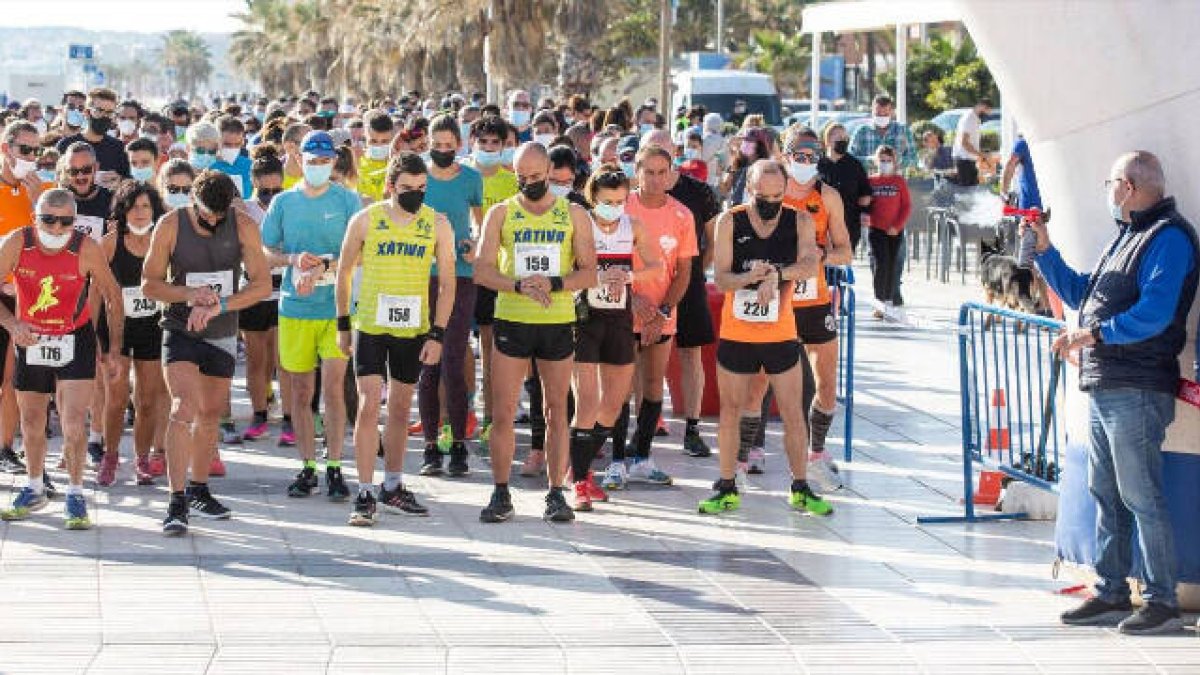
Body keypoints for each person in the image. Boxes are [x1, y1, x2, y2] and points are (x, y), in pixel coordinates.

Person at [1034, 151, 1198, 635]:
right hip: (1106, 383)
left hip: (1138, 386)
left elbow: (1155, 313)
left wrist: (1091, 336)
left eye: (1110, 183)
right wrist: (1045, 251)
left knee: (1141, 495)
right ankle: (1110, 591)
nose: (1106, 192)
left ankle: (1162, 601)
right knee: (1106, 492)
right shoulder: (1128, 235)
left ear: (1127, 186)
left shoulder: (1169, 238)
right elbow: (1086, 294)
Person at [472, 142, 597, 523]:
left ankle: (556, 491)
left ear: (551, 174)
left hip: (557, 321)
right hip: (512, 319)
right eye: (522, 178)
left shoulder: (573, 213)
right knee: (504, 409)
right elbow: (482, 270)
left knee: (557, 409)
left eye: (537, 178)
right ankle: (500, 491)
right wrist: (518, 285)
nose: (529, 185)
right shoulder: (501, 213)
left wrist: (554, 282)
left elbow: (589, 272)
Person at [142, 170, 271, 535]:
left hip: (222, 330)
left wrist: (220, 305)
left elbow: (261, 284)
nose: (213, 222)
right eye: (206, 216)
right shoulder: (171, 224)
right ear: (192, 203)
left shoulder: (243, 224)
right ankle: (176, 498)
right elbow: (148, 283)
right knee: (184, 406)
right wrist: (188, 295)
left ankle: (199, 488)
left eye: (220, 216)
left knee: (211, 413)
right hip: (180, 328)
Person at [699, 160, 830, 517]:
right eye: (762, 196)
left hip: (781, 332)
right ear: (749, 190)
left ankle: (800, 487)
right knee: (730, 410)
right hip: (738, 332)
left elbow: (808, 264)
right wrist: (750, 277)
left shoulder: (798, 220)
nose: (770, 203)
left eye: (777, 195)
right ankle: (726, 486)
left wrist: (776, 274)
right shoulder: (731, 220)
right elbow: (722, 279)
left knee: (792, 411)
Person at [336, 152, 455, 526]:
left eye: (422, 189)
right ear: (391, 186)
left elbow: (449, 284)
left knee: (402, 409)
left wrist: (438, 333)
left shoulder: (436, 224)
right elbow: (343, 272)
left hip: (413, 328)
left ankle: (392, 485)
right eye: (406, 188)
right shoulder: (366, 220)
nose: (415, 195)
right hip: (371, 324)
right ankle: (366, 492)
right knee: (370, 403)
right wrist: (342, 325)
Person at [0, 188, 124, 529]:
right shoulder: (16, 243)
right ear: (34, 218)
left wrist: (114, 350)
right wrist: (12, 324)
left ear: (75, 221)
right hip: (31, 336)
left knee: (72, 422)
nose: (56, 228)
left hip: (74, 336)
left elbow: (114, 296)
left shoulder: (86, 247)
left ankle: (75, 492)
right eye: (48, 220)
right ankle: (34, 485)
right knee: (32, 420)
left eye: (65, 221)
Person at [261, 131, 361, 501]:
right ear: (298, 161)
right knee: (301, 391)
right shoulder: (284, 202)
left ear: (334, 162)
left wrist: (327, 265)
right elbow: (265, 249)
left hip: (336, 308)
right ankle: (307, 466)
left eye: (324, 161)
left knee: (334, 388)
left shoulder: (349, 201)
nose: (317, 168)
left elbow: (362, 252)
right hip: (294, 308)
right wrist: (292, 260)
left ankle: (335, 466)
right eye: (310, 161)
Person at [600, 144, 696, 490]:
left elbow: (683, 272)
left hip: (661, 314)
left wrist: (664, 311)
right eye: (648, 172)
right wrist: (633, 299)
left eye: (662, 172)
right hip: (620, 310)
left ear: (671, 174)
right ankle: (616, 461)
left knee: (654, 385)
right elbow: (606, 259)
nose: (655, 179)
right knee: (620, 387)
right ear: (635, 172)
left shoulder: (683, 215)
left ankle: (642, 456)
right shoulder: (620, 208)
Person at [570, 167, 661, 511]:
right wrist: (596, 275)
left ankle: (579, 467)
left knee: (614, 402)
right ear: (594, 198)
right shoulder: (582, 223)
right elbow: (567, 271)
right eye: (608, 202)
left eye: (621, 201)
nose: (615, 207)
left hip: (619, 318)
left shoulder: (632, 226)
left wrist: (630, 274)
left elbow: (656, 264)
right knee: (588, 402)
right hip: (585, 318)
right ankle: (579, 481)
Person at [640, 129, 720, 459]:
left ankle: (692, 427)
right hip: (643, 290)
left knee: (691, 355)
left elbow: (712, 240)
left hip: (688, 286)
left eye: (664, 150)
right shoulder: (632, 198)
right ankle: (645, 423)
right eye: (651, 151)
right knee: (639, 357)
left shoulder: (699, 193)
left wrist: (695, 271)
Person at [416, 114, 483, 475]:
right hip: (420, 275)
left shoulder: (471, 178)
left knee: (454, 363)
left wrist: (475, 246)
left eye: (448, 145)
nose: (442, 151)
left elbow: (482, 224)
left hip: (459, 276)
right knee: (428, 364)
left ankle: (458, 445)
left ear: (459, 144)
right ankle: (430, 447)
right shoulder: (417, 176)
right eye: (436, 145)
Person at [96, 180, 169, 487]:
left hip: (152, 326)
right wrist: (92, 336)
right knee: (116, 397)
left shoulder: (163, 240)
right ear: (122, 211)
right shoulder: (110, 242)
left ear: (155, 210)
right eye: (133, 206)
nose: (139, 213)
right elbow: (94, 292)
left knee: (148, 399)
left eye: (145, 206)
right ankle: (109, 457)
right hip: (115, 328)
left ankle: (142, 458)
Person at [468, 115, 521, 452]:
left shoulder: (511, 181)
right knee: (456, 350)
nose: (488, 149)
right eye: (483, 142)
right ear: (472, 142)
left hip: (495, 274)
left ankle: (491, 419)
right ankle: (457, 418)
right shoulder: (461, 174)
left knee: (491, 351)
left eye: (495, 144)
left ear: (504, 146)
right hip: (460, 273)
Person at [237, 146, 291, 444]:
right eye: (265, 191)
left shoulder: (290, 205)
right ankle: (259, 414)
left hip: (283, 289)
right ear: (254, 184)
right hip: (254, 290)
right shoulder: (243, 209)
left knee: (283, 359)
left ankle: (289, 419)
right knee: (257, 360)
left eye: (276, 189)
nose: (271, 197)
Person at [0, 121, 45, 475]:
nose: (31, 158)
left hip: (29, 299)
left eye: (36, 151)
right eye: (25, 150)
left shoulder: (44, 192)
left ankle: (5, 448)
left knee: (12, 378)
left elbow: (53, 243)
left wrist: (36, 202)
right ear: (6, 149)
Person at [866, 145, 911, 317]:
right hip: (876, 230)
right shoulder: (871, 181)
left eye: (888, 161)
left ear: (894, 162)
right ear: (877, 161)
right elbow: (866, 204)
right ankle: (879, 302)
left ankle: (891, 298)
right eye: (882, 160)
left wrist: (897, 226)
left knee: (893, 265)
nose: (885, 164)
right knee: (881, 264)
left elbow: (906, 206)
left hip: (894, 231)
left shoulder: (899, 181)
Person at [55, 87, 129, 189]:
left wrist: (119, 180)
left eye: (109, 112)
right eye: (99, 111)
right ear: (87, 113)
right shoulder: (66, 145)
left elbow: (128, 183)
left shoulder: (118, 147)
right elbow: (56, 184)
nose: (104, 116)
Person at [817, 123, 872, 254]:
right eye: (839, 137)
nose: (843, 141)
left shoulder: (855, 165)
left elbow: (865, 193)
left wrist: (864, 212)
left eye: (845, 138)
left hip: (848, 223)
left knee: (842, 263)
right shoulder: (818, 164)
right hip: (821, 223)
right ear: (828, 140)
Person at [848, 95, 918, 170]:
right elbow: (850, 159)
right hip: (868, 180)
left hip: (895, 180)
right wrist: (871, 160)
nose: (881, 116)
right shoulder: (861, 131)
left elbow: (914, 160)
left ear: (891, 112)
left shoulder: (903, 131)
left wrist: (895, 161)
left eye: (885, 114)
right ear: (872, 111)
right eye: (878, 114)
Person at [952, 98, 992, 187]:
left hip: (967, 160)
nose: (986, 116)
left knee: (972, 189)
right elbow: (964, 143)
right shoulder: (970, 118)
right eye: (986, 112)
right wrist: (982, 155)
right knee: (966, 192)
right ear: (982, 106)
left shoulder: (973, 118)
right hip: (964, 161)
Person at [211, 115, 253, 198]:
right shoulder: (208, 166)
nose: (232, 148)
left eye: (237, 144)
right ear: (216, 141)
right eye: (227, 144)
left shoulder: (251, 166)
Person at [357, 110, 394, 202]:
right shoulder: (356, 162)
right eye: (373, 141)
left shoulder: (399, 164)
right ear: (365, 137)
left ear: (392, 138)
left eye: (385, 141)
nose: (379, 146)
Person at [1001, 133, 1042, 210]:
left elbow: (1010, 165)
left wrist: (1003, 192)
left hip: (1030, 203)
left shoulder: (1023, 143)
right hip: (1044, 202)